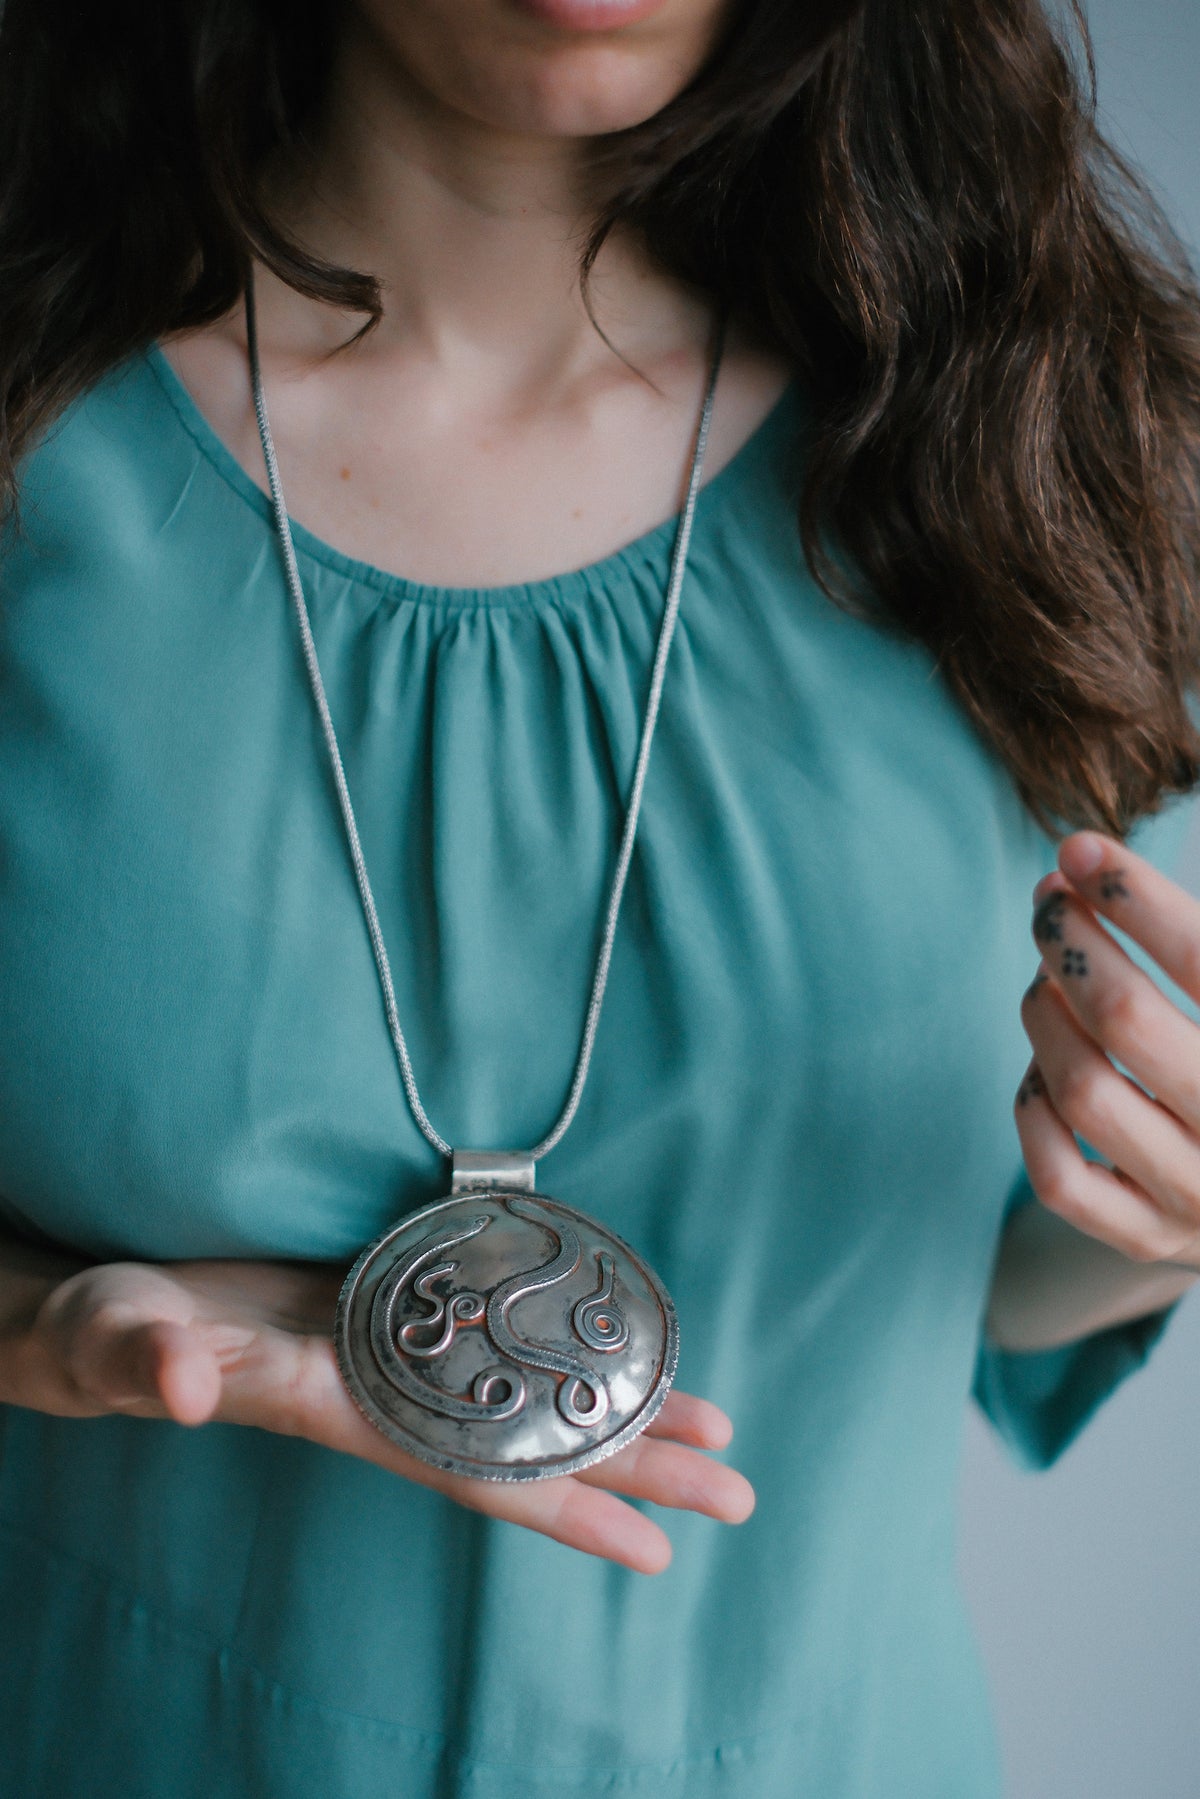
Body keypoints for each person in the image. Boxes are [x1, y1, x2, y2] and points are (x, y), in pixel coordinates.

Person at [1, 0, 1199, 1793]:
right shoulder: (37, 441)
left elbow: (980, 1285)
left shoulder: (1026, 445)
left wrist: (1157, 1206)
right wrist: (44, 1337)